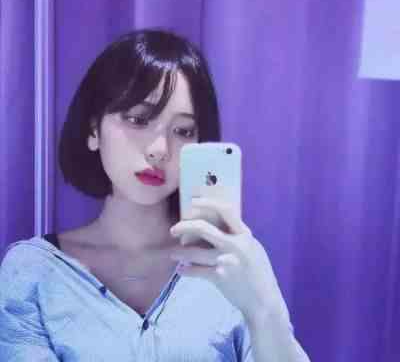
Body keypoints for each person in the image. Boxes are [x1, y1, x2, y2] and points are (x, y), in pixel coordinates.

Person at [0, 29, 310, 361]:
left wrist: (265, 309)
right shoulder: (33, 271)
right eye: (138, 119)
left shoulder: (230, 264)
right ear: (93, 130)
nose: (160, 149)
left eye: (183, 131)